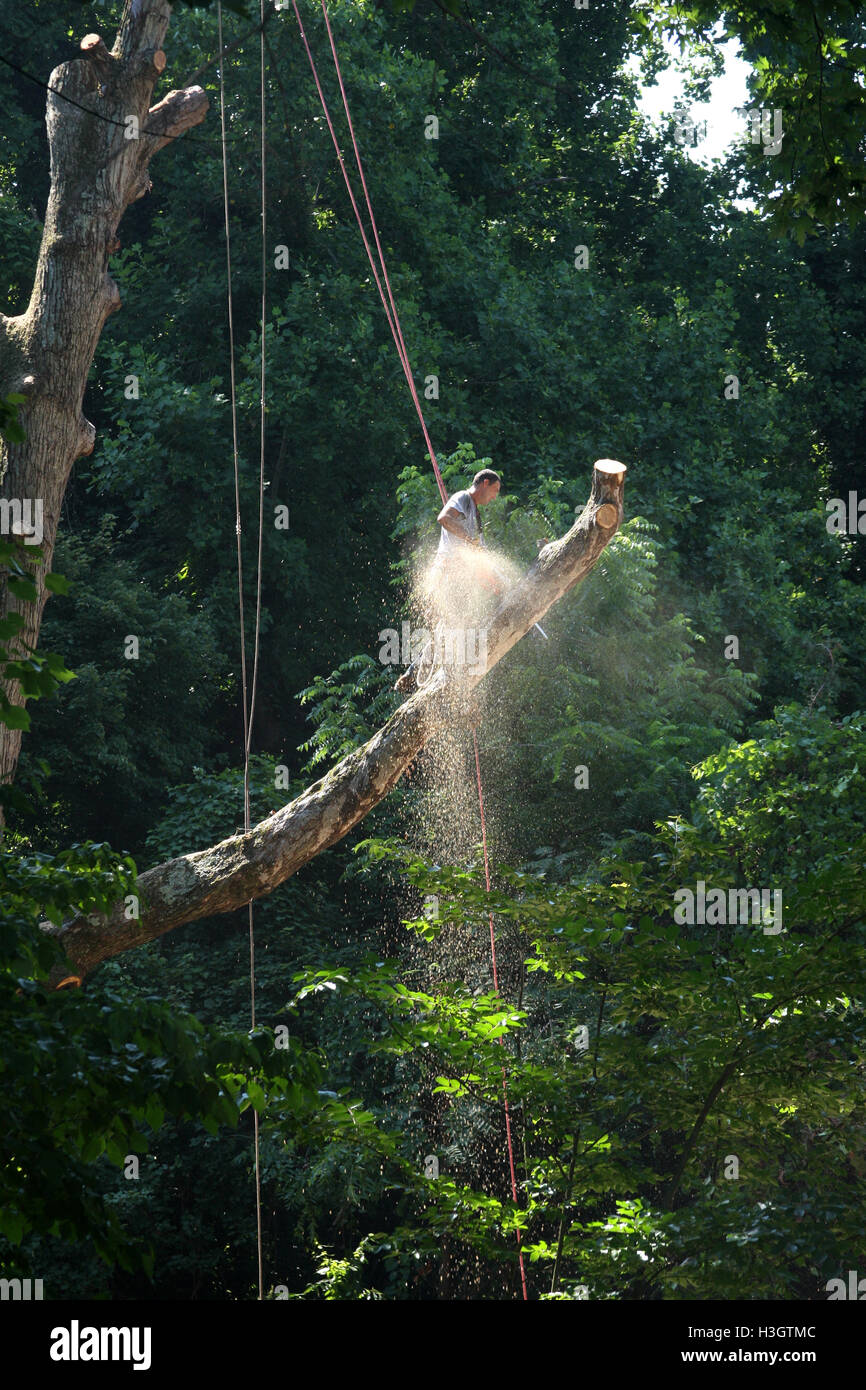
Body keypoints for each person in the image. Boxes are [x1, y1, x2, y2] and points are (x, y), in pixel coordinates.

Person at [394, 469, 505, 694]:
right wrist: (469, 539)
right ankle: (440, 679)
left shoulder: (476, 515)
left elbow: (477, 554)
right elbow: (444, 518)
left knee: (449, 628)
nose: (494, 497)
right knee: (455, 628)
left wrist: (490, 579)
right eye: (494, 491)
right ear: (484, 483)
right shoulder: (463, 498)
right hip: (447, 574)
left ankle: (414, 674)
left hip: (458, 577)